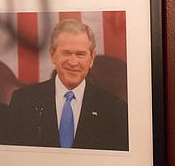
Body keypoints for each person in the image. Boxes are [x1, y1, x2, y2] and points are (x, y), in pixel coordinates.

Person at [8, 19, 128, 150]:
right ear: (53, 55)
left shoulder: (114, 108)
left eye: (80, 54)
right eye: (66, 53)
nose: (73, 62)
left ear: (92, 58)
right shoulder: (23, 101)